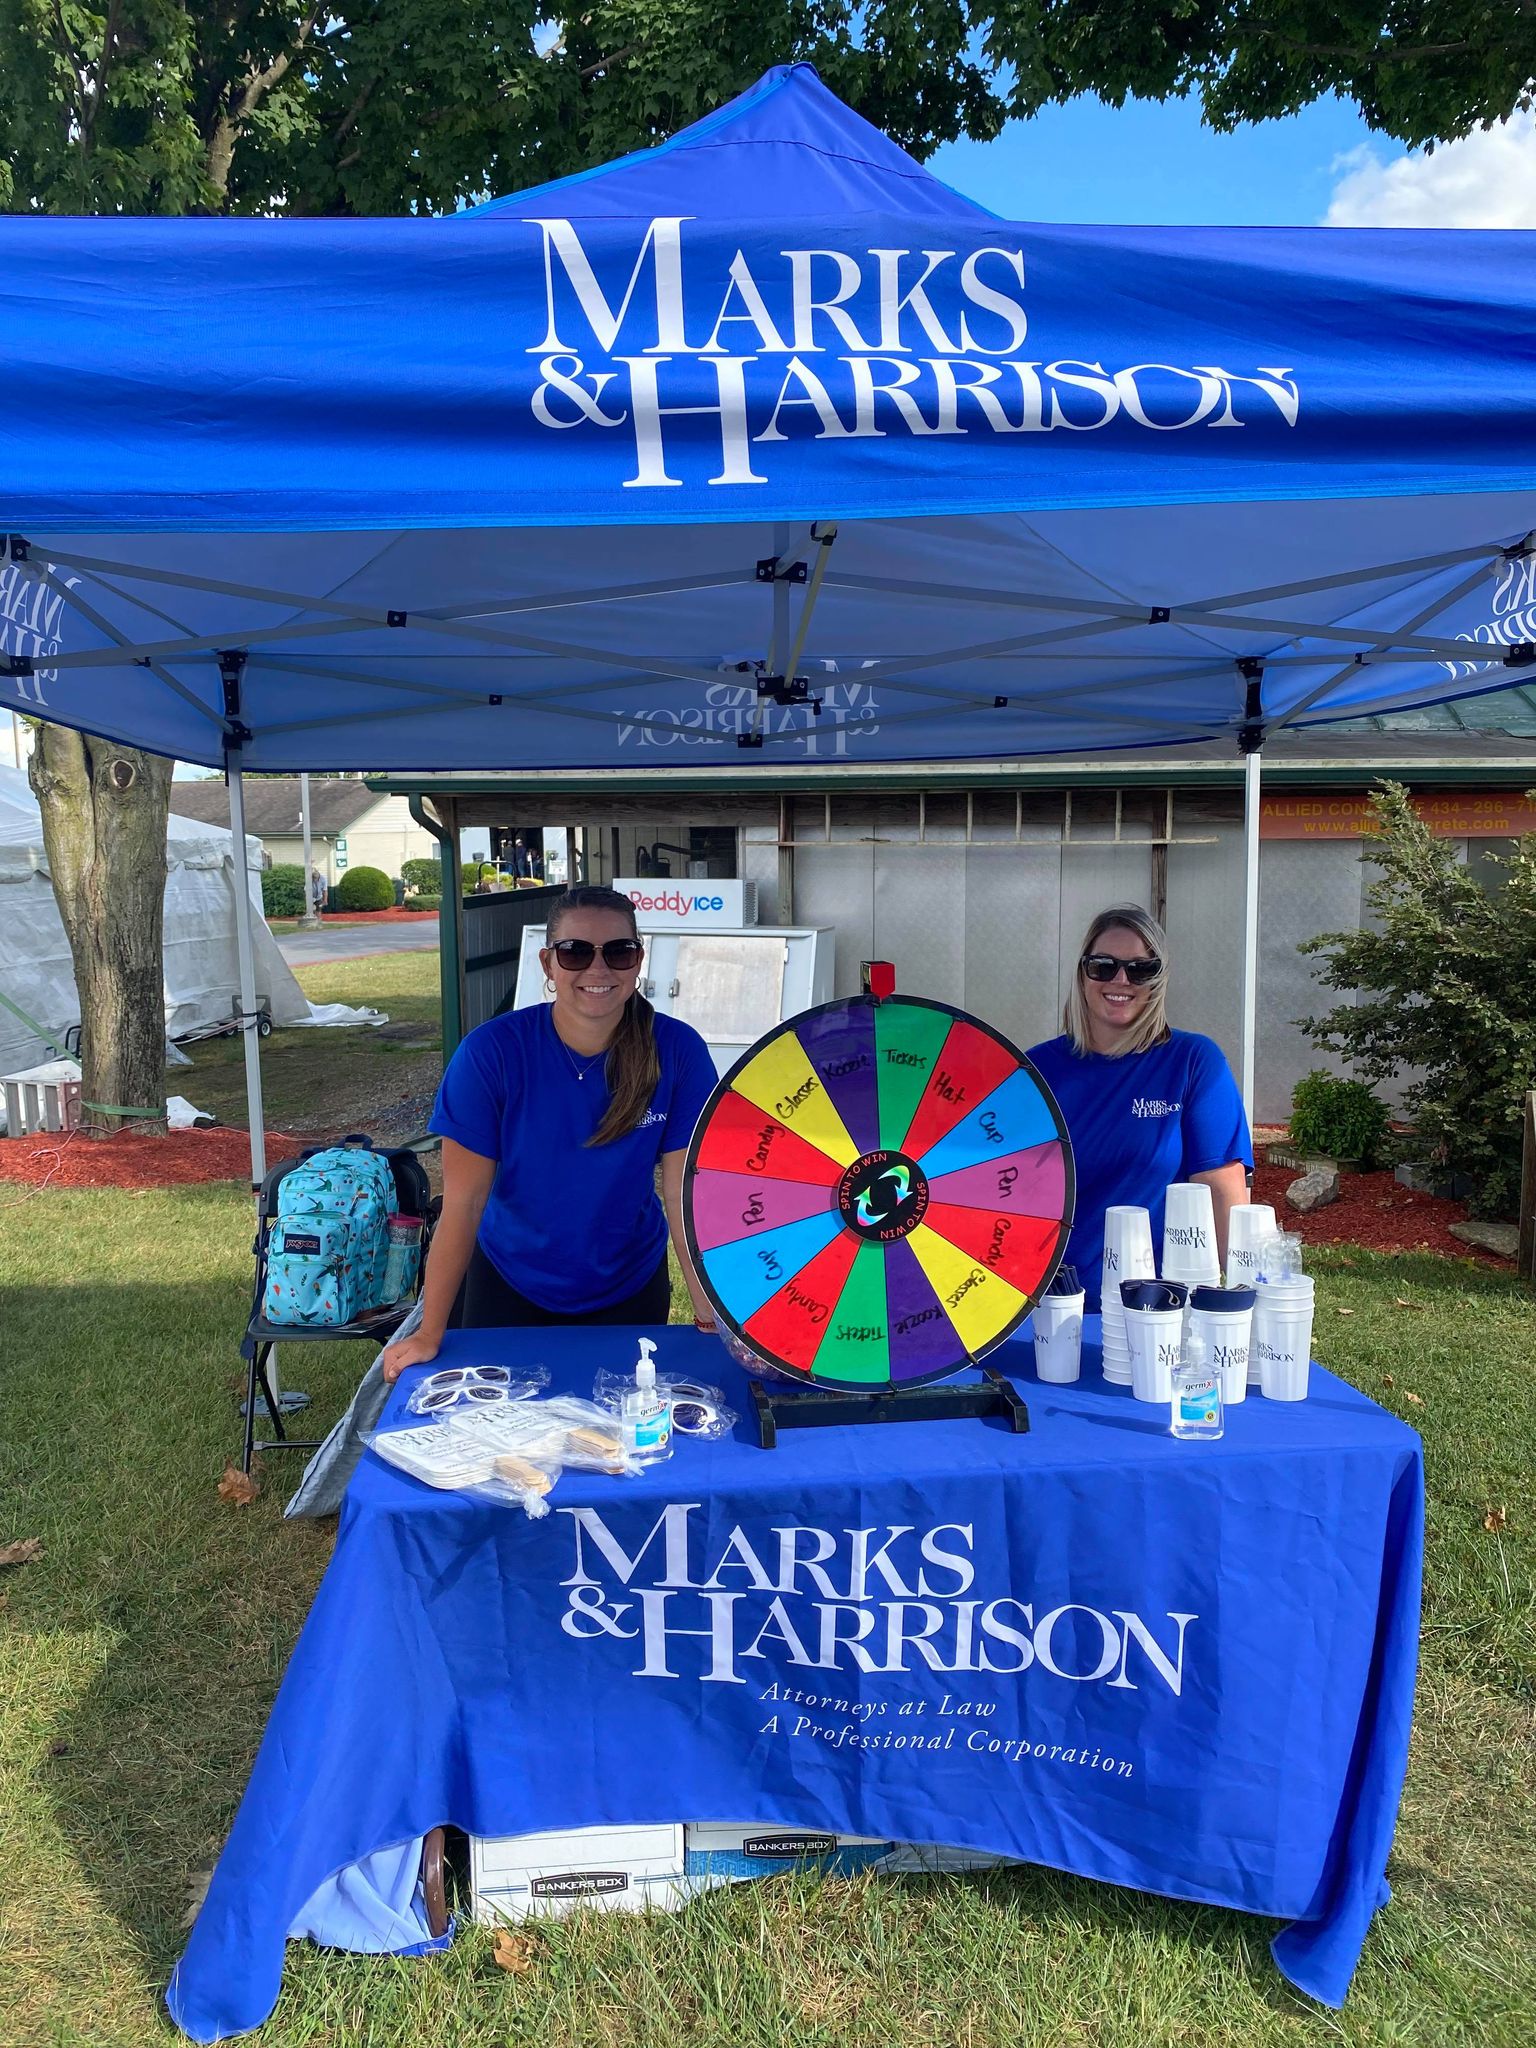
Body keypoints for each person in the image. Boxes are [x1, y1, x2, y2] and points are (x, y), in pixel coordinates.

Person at [382, 885, 718, 1377]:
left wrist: (707, 1308)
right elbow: (463, 1203)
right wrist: (430, 1331)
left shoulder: (679, 1050)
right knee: (500, 1436)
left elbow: (682, 1194)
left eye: (618, 952)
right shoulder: (491, 1053)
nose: (597, 969)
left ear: (638, 961)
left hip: (629, 1283)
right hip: (508, 1279)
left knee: (619, 1436)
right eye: (576, 952)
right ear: (548, 963)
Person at [1028, 905, 1251, 1309]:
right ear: (1082, 973)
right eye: (1103, 965)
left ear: (1158, 979)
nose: (1121, 980)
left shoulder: (1192, 1062)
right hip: (1047, 1307)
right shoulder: (1035, 1071)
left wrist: (1226, 1313)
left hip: (1157, 1311)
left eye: (1140, 969)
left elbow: (1225, 1202)